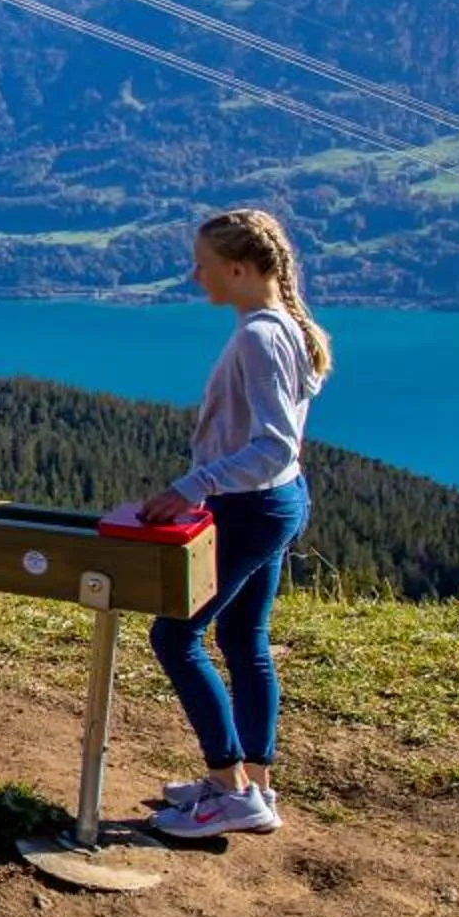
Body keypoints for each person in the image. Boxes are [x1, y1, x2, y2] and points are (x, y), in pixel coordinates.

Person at [136, 208, 330, 841]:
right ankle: (255, 786)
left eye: (205, 265)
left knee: (174, 637)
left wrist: (190, 487)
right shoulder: (283, 326)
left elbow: (273, 445)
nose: (196, 276)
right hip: (273, 503)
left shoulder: (260, 337)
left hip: (249, 509)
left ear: (240, 269)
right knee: (245, 639)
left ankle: (227, 786)